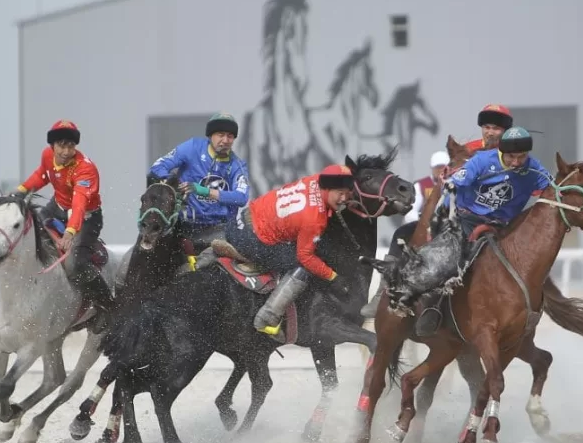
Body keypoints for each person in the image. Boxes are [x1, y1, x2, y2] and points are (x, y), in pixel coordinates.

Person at [405, 126, 552, 335]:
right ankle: (432, 306)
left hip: (503, 226)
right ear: (501, 151)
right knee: (449, 259)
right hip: (466, 220)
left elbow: (555, 192)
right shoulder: (482, 161)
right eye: (511, 157)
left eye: (521, 156)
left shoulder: (534, 169)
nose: (516, 162)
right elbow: (453, 185)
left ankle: (530, 307)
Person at [225, 164, 355, 341]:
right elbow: (305, 257)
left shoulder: (314, 180)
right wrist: (333, 277)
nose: (344, 199)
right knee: (304, 266)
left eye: (348, 193)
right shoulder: (315, 219)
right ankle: (267, 317)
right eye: (340, 193)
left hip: (239, 220)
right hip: (250, 239)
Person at [12, 120, 115, 331]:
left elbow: (79, 204)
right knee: (31, 233)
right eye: (61, 145)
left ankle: (107, 306)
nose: (66, 151)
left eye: (71, 146)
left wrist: (70, 232)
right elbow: (42, 175)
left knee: (75, 263)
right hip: (57, 206)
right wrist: (21, 191)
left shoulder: (85, 169)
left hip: (86, 217)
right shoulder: (47, 156)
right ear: (52, 146)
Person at [361, 150, 449, 320]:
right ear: (432, 168)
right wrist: (422, 225)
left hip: (449, 226)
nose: (440, 171)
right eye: (437, 167)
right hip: (426, 226)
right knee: (400, 234)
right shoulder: (422, 185)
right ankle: (381, 293)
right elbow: (412, 211)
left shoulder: (456, 182)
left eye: (444, 167)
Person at [148, 113, 250, 254]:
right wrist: (173, 183)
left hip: (219, 230)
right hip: (183, 225)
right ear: (210, 135)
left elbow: (241, 197)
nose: (226, 140)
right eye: (221, 135)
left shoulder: (237, 165)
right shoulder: (192, 148)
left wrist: (203, 191)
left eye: (230, 136)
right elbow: (158, 166)